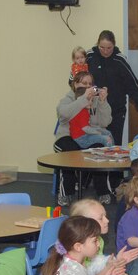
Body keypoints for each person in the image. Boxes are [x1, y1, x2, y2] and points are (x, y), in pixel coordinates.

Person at [55, 71, 116, 205]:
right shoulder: (68, 99)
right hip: (67, 136)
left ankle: (103, 192)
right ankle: (66, 193)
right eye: (84, 83)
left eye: (90, 84)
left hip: (88, 136)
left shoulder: (95, 100)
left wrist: (103, 102)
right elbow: (63, 115)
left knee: (100, 149)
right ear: (75, 84)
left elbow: (105, 122)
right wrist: (83, 99)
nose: (88, 87)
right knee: (70, 152)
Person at [85, 30, 138, 146]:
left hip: (116, 112)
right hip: (94, 111)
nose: (105, 51)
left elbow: (133, 87)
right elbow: (78, 80)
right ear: (97, 44)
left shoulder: (120, 60)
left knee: (114, 146)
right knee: (95, 146)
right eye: (102, 47)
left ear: (114, 45)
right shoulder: (90, 57)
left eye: (109, 48)